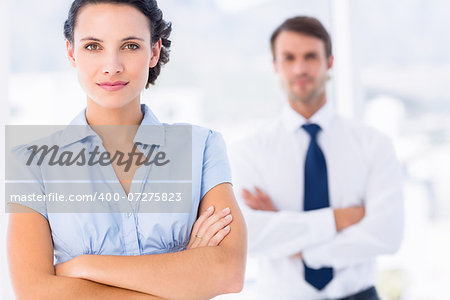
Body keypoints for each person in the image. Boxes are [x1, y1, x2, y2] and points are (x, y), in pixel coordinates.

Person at [6, 1, 246, 299]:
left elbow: (228, 273)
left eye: (130, 46)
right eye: (93, 46)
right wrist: (185, 279)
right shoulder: (31, 165)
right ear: (71, 52)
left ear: (154, 51)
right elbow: (35, 292)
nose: (112, 65)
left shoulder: (203, 146)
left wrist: (83, 266)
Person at [230, 16, 403, 300]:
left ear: (330, 62)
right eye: (289, 58)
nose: (300, 68)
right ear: (275, 65)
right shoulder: (248, 151)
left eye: (310, 56)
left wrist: (294, 240)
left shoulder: (374, 144)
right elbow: (248, 237)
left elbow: (387, 234)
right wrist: (340, 218)